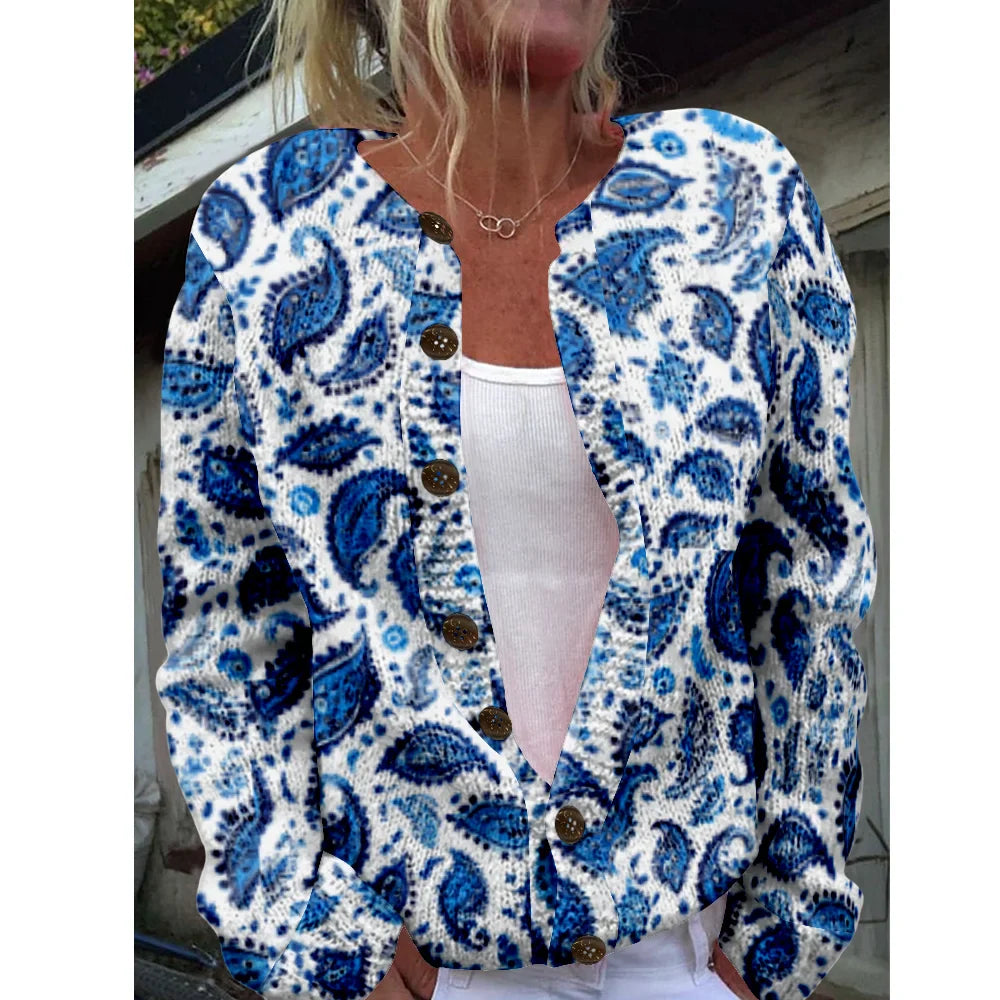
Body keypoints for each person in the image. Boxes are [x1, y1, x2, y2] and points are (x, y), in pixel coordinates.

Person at [155, 2, 878, 1000]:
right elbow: (227, 621)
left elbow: (810, 578)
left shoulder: (733, 192)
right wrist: (311, 940)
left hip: (685, 964)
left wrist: (773, 946)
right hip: (409, 970)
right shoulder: (270, 229)